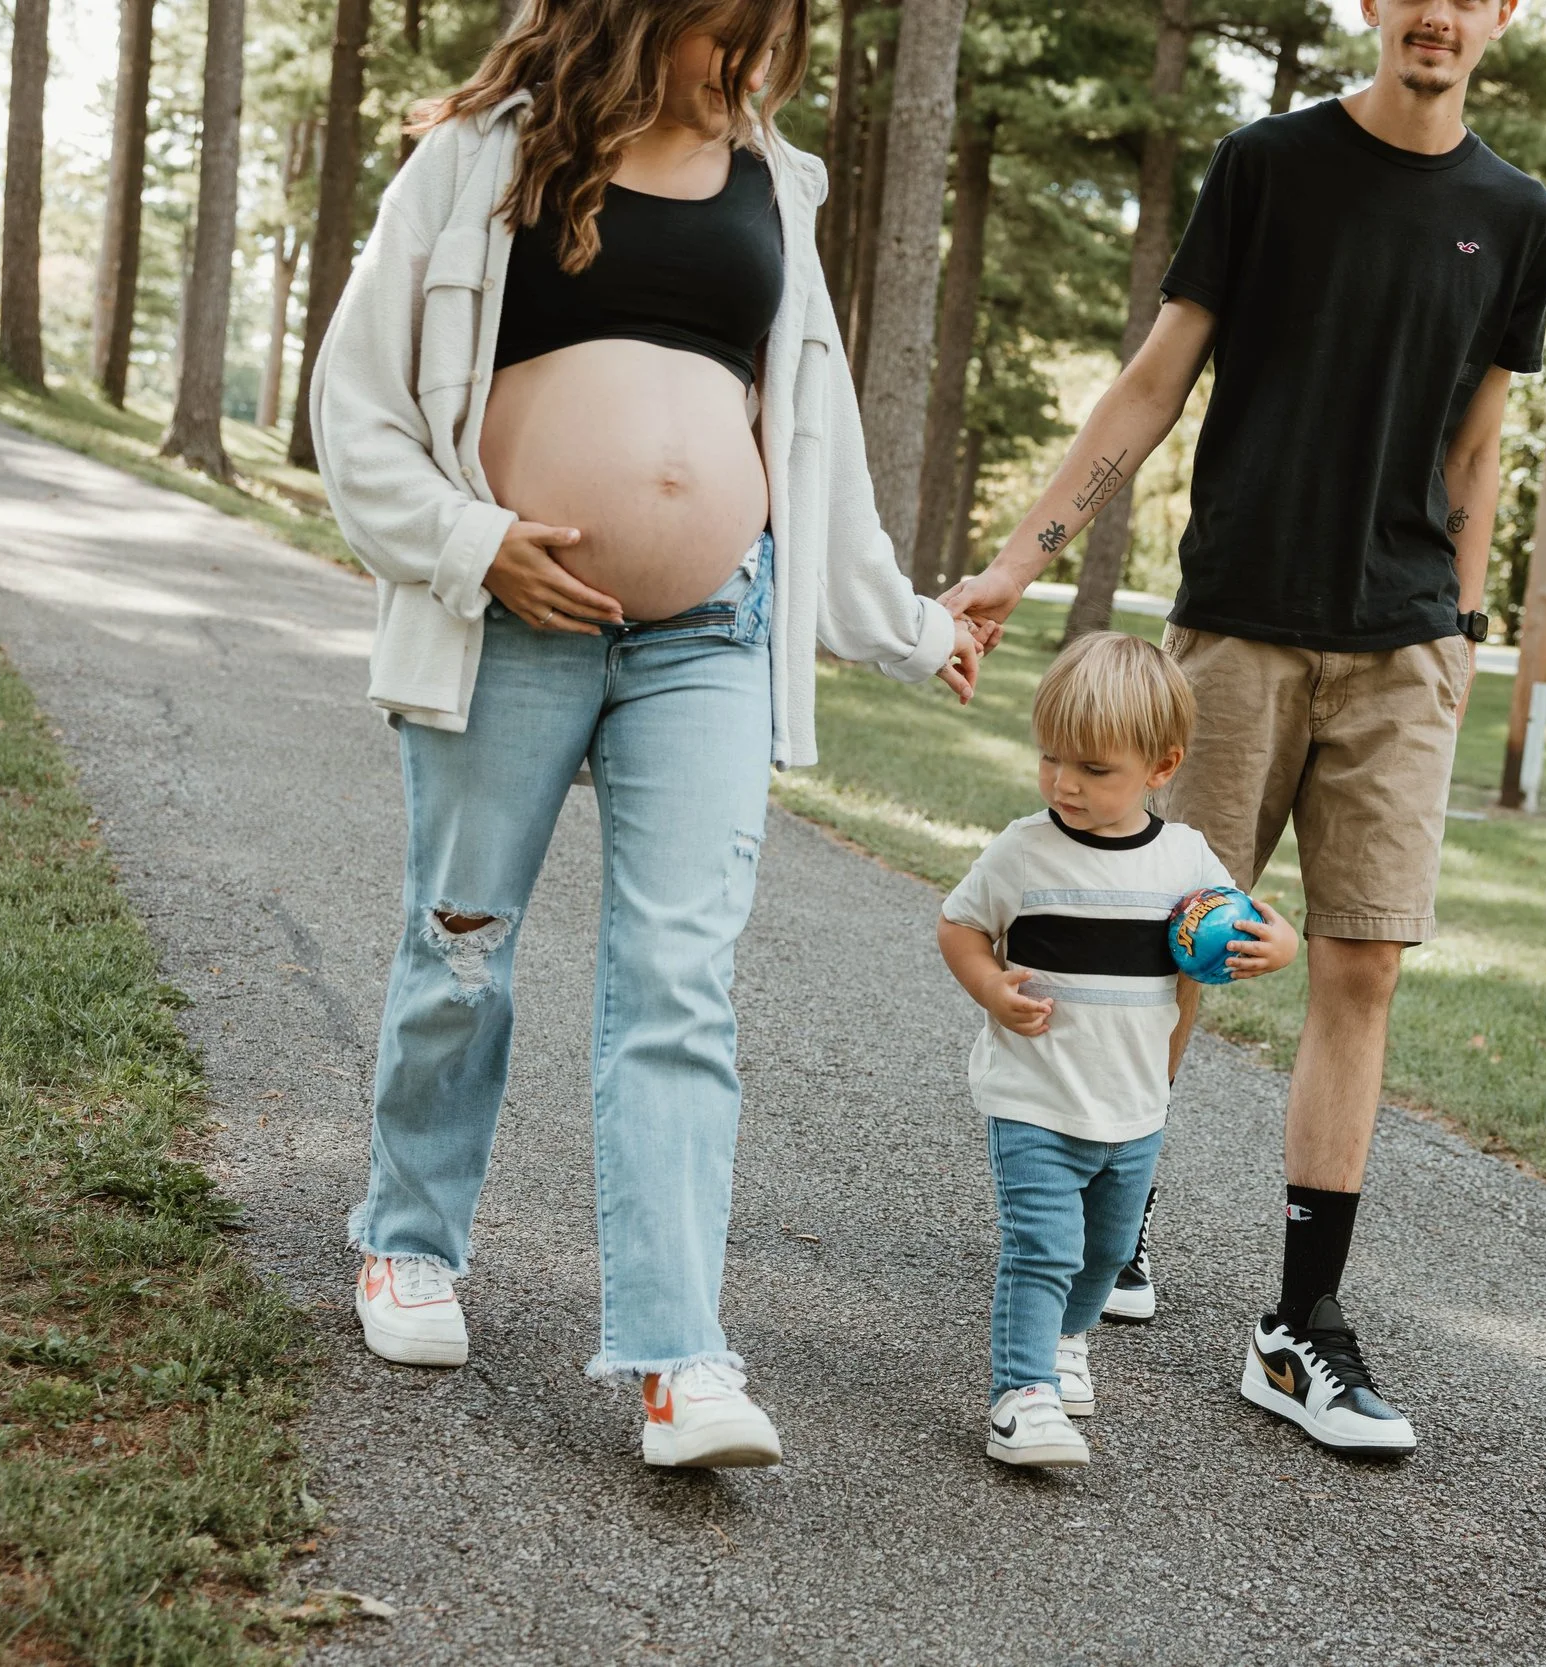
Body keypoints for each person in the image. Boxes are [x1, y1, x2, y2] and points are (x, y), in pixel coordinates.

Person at [309, 0, 981, 1470]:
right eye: (716, 28)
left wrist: (911, 624)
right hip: (514, 615)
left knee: (680, 974)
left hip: (711, 630)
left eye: (766, 29)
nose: (741, 59)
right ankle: (408, 1237)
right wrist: (473, 538)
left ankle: (680, 1350)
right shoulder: (482, 160)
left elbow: (813, 442)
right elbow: (352, 405)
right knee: (464, 938)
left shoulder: (774, 184)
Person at [943, 0, 1546, 1456]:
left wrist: (1459, 635)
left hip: (1404, 643)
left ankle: (1299, 1324)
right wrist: (1024, 556)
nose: (1437, 11)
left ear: (1500, 16)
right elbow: (1156, 381)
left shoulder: (1515, 214)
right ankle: (1114, 1199)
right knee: (1174, 930)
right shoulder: (1268, 165)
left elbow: (1478, 439)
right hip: (1238, 627)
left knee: (1361, 966)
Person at [937, 634, 1297, 1466]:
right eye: (1051, 759)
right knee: (1045, 1246)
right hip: (1034, 1095)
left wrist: (1280, 949)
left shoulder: (1185, 861)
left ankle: (1068, 1338)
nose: (1065, 782)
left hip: (1136, 1107)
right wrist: (992, 988)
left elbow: (1252, 926)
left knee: (1105, 1252)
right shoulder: (1023, 850)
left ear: (1160, 766)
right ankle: (1020, 1396)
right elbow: (959, 925)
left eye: (1094, 769)